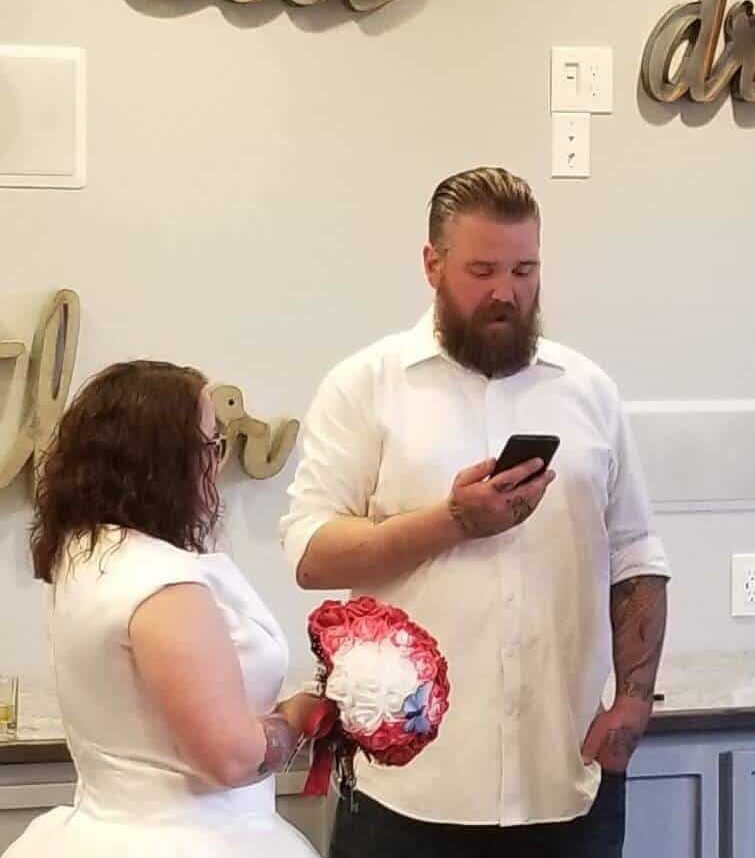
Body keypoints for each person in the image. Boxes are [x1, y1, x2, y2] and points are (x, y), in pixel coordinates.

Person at [280, 166, 670, 858]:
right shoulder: (365, 385)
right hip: (406, 789)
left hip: (565, 783)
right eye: (482, 269)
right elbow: (311, 551)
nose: (506, 292)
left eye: (525, 269)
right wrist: (451, 520)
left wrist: (635, 699)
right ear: (432, 265)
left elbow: (636, 554)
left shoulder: (587, 390)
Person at [4, 360, 334, 858]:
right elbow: (230, 759)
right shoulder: (161, 583)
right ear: (162, 461)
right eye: (208, 444)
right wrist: (296, 716)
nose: (216, 462)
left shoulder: (85, 553)